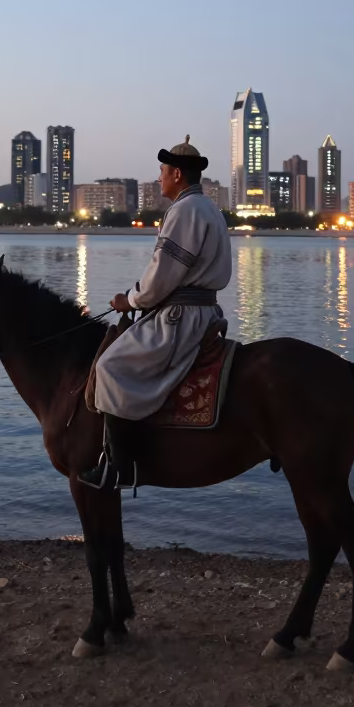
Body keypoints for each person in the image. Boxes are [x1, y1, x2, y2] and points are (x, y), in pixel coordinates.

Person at [79, 136, 232, 491]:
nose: (159, 178)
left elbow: (161, 278)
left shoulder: (184, 210)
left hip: (181, 317)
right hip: (204, 310)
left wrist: (130, 300)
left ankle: (118, 468)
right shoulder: (210, 209)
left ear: (177, 174)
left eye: (162, 171)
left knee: (109, 366)